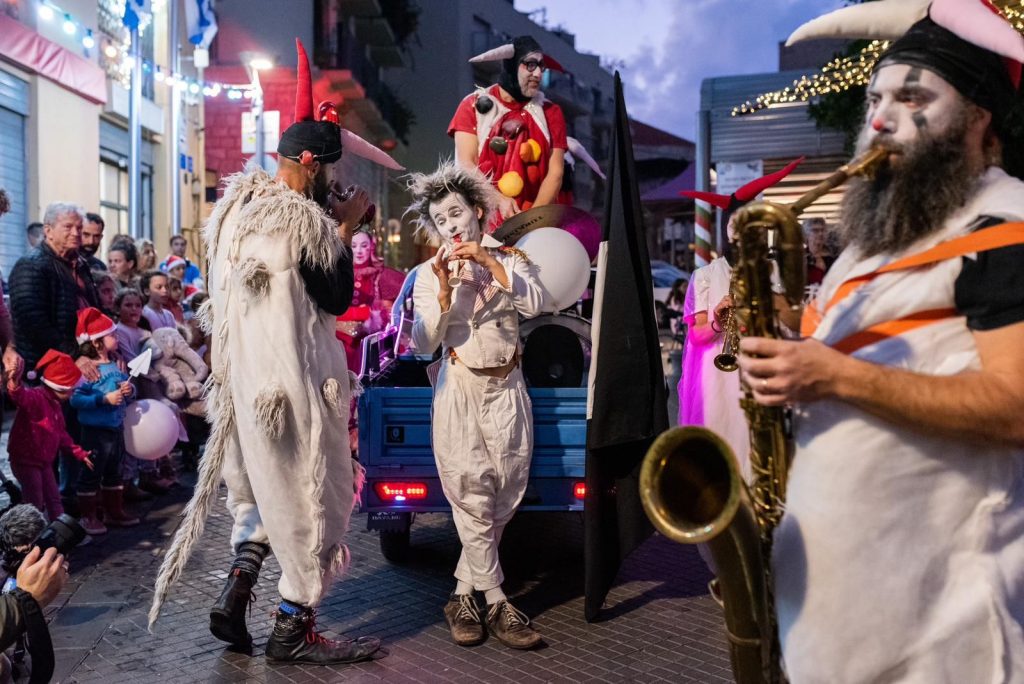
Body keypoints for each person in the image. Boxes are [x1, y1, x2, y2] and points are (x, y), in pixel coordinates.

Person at [741, 7, 1024, 682]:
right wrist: (782, 342)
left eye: (912, 98)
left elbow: (1016, 406)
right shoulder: (879, 242)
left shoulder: (1004, 222)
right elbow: (855, 348)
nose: (878, 120)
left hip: (938, 630)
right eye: (875, 99)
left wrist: (835, 379)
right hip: (845, 616)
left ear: (978, 118)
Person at [149, 38, 401, 665]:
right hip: (290, 388)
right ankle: (294, 625)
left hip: (242, 387)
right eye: (332, 170)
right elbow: (336, 297)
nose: (338, 183)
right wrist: (345, 227)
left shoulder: (234, 210)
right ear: (311, 164)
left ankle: (237, 591)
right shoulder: (305, 222)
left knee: (258, 492)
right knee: (313, 498)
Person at [408, 161, 546, 649]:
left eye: (455, 214)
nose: (450, 226)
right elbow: (423, 342)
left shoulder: (512, 257)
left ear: (477, 212)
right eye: (441, 220)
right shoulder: (427, 273)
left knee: (506, 489)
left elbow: (536, 303)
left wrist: (491, 266)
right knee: (471, 490)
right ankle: (499, 602)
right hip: (459, 388)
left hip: (508, 388)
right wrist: (445, 292)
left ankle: (462, 593)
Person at [450, 35, 569, 220]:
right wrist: (499, 199)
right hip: (482, 224)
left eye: (541, 66)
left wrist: (530, 221)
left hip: (536, 225)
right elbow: (466, 164)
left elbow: (555, 173)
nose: (538, 74)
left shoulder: (551, 112)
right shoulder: (471, 105)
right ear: (511, 66)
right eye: (530, 64)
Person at [8, 203, 100, 373]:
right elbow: (34, 323)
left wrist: (101, 350)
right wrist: (74, 356)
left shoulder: (80, 263)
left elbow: (95, 310)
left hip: (83, 355)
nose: (76, 233)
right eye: (68, 227)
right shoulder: (30, 265)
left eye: (79, 228)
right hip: (46, 367)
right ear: (48, 231)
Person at [70, 308, 138, 535]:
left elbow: (128, 394)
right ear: (98, 343)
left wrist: (129, 390)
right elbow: (76, 399)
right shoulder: (88, 370)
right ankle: (88, 516)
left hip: (115, 428)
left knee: (114, 470)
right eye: (112, 335)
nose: (116, 338)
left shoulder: (116, 365)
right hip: (94, 431)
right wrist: (103, 399)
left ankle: (113, 510)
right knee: (91, 471)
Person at [5, 351, 93, 520]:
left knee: (54, 498)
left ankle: (60, 531)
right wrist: (15, 380)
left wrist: (78, 453)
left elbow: (61, 434)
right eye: (71, 390)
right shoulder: (36, 397)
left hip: (43, 460)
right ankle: (31, 537)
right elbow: (19, 395)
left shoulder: (55, 405)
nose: (72, 393)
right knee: (34, 500)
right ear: (60, 386)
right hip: (26, 460)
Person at [336, 229, 405, 373]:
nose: (359, 251)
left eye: (364, 245)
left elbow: (391, 313)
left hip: (371, 343)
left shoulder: (382, 275)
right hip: (339, 341)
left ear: (371, 247)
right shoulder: (339, 274)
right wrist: (363, 312)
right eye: (354, 246)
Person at [803, 217, 835, 289]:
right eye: (815, 230)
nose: (820, 234)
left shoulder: (832, 258)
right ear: (807, 235)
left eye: (823, 230)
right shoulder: (800, 257)